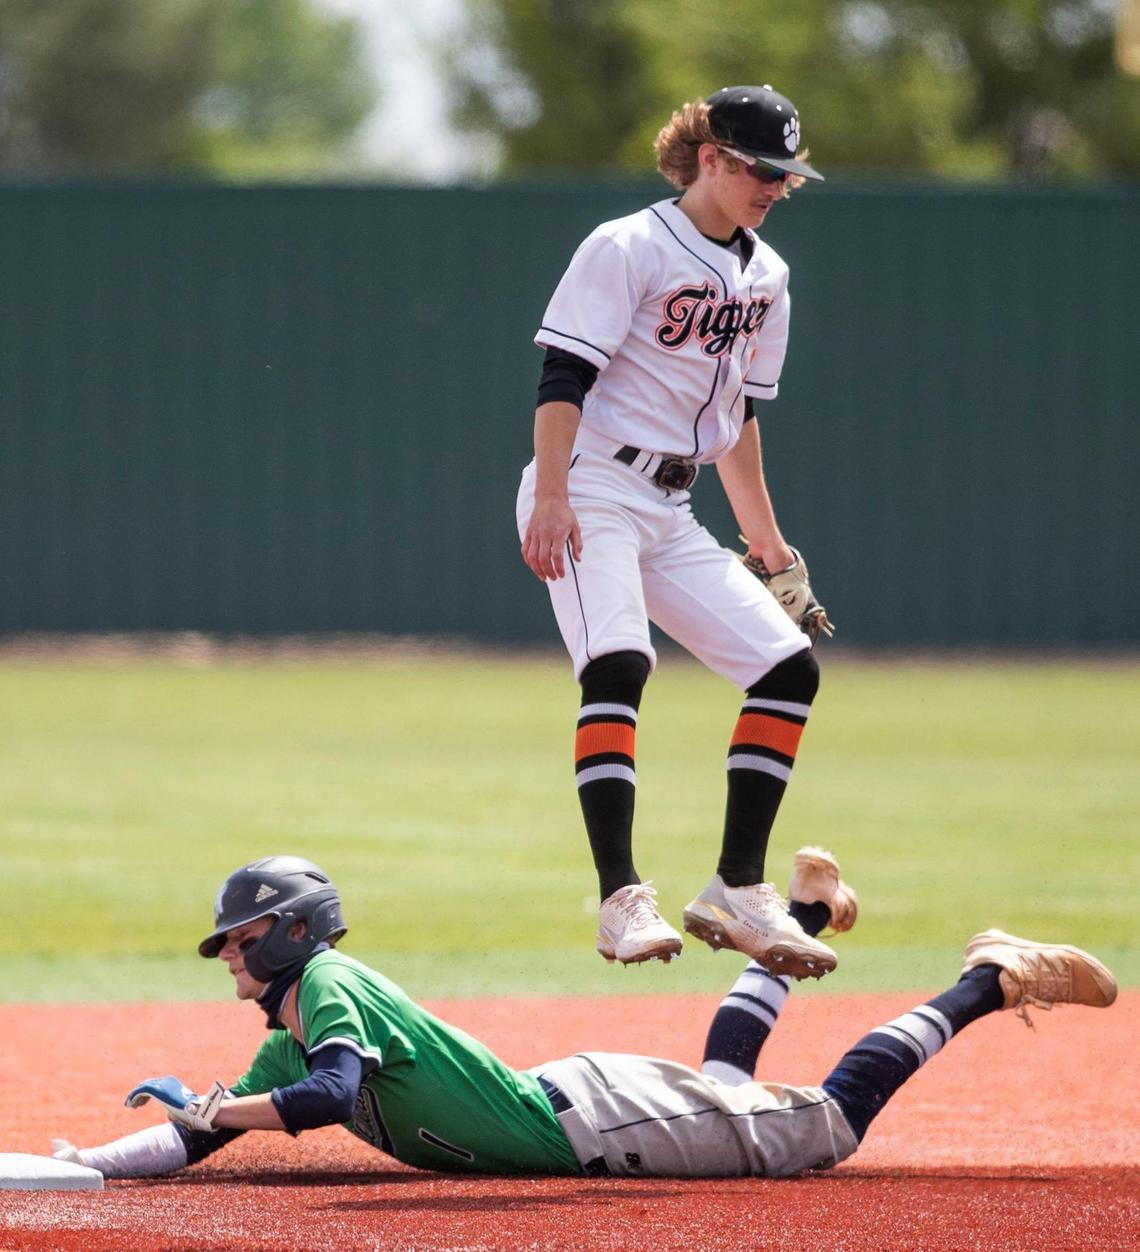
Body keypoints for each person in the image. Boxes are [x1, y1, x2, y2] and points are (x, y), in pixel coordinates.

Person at [52, 854, 1117, 1182]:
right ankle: (799, 920)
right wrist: (92, 1162)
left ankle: (990, 977)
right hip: (588, 1104)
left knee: (828, 1128)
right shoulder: (297, 1016)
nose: (227, 956)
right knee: (731, 1096)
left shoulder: (329, 990)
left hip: (590, 1125)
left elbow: (324, 1101)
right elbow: (227, 1120)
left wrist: (219, 1109)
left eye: (238, 938)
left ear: (286, 935)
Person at [516, 84, 838, 978]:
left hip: (671, 504)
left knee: (786, 669)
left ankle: (737, 888)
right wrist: (551, 496)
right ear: (711, 158)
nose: (775, 186)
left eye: (787, 175)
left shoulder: (766, 276)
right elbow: (562, 376)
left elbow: (735, 421)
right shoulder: (627, 245)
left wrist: (768, 545)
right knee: (620, 663)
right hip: (588, 484)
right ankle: (621, 899)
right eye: (760, 169)